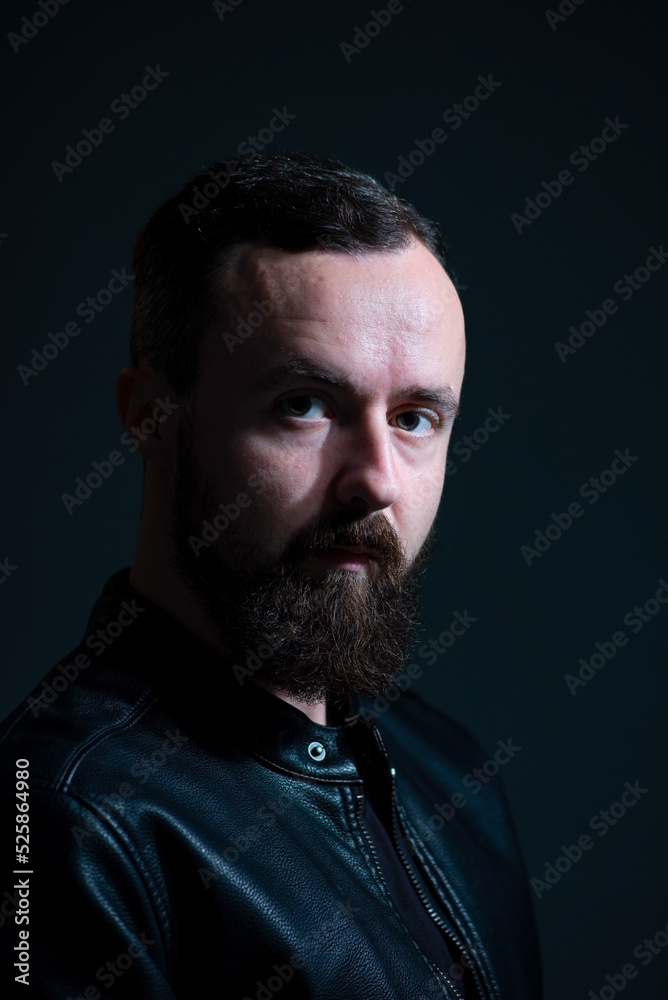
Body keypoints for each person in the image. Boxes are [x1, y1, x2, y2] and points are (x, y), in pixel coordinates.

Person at [0, 152, 541, 999]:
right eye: (305, 404)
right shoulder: (62, 822)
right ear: (149, 415)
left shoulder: (450, 769)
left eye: (414, 418)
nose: (377, 480)